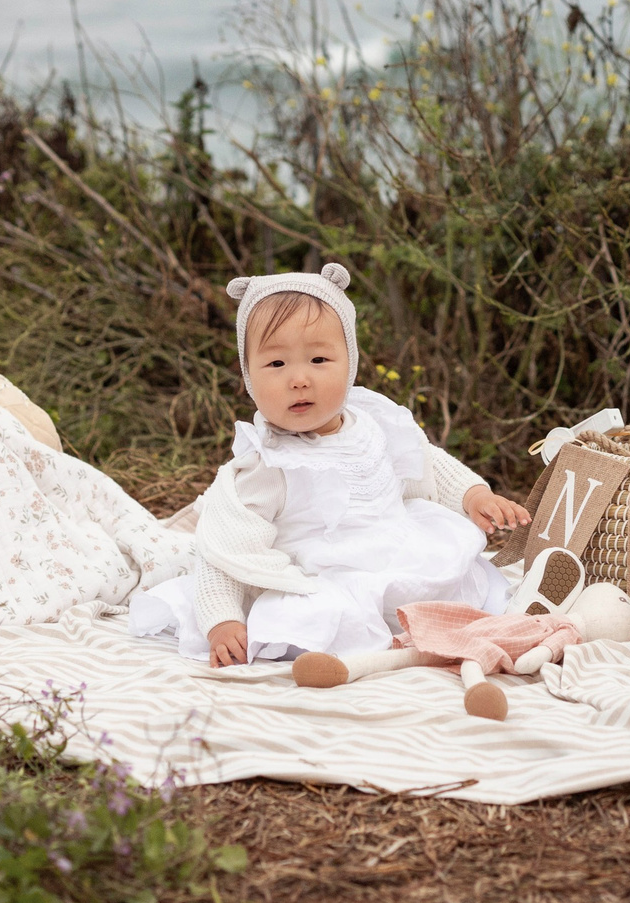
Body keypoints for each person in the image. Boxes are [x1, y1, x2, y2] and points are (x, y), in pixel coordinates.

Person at [131, 264, 530, 666]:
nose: (299, 379)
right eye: (276, 365)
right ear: (248, 376)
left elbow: (427, 464)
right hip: (322, 579)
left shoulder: (374, 423)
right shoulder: (267, 464)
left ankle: (424, 630)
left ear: (350, 362)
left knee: (461, 576)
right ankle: (345, 657)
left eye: (319, 359)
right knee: (317, 615)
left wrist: (474, 494)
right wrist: (222, 621)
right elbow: (227, 548)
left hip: (399, 556)